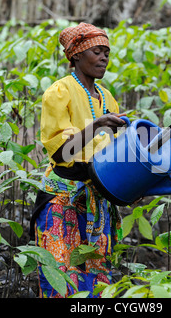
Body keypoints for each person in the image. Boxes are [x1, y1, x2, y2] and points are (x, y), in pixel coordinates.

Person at [29, 23, 126, 298]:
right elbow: (61, 153)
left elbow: (112, 153)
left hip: (98, 200)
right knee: (62, 279)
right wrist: (97, 126)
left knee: (97, 282)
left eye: (107, 52)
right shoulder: (59, 93)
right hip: (63, 201)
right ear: (76, 56)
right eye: (97, 51)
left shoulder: (107, 98)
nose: (104, 57)